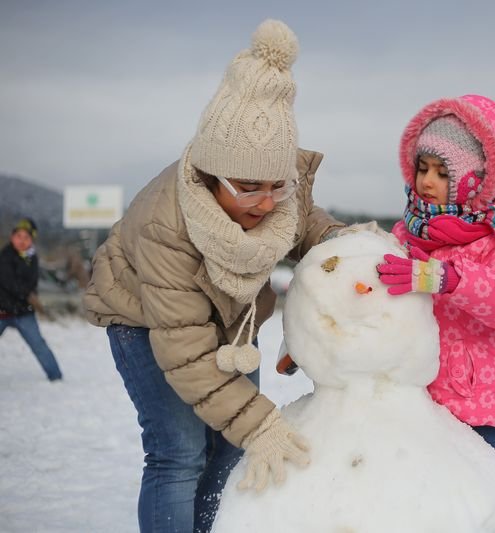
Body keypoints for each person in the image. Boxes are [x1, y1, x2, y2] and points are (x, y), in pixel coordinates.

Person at [82, 19, 361, 533]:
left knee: (229, 449)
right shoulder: (166, 224)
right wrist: (260, 423)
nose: (264, 202)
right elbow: (184, 350)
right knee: (180, 452)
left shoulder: (277, 192)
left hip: (227, 322)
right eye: (249, 187)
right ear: (213, 174)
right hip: (146, 319)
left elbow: (303, 221)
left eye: (278, 186)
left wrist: (345, 244)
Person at [377, 95, 495, 533]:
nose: (428, 181)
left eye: (444, 171)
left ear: (477, 177)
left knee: (487, 491)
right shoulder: (407, 232)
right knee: (428, 495)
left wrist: (451, 279)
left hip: (477, 396)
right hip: (418, 390)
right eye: (423, 167)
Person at [0, 218, 64, 382]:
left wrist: (29, 296)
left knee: (38, 344)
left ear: (32, 240)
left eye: (26, 238)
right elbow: (7, 282)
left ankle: (55, 376)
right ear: (12, 237)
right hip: (2, 311)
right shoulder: (5, 256)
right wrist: (27, 294)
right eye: (18, 236)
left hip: (23, 312)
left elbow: (32, 282)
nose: (22, 241)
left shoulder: (32, 258)